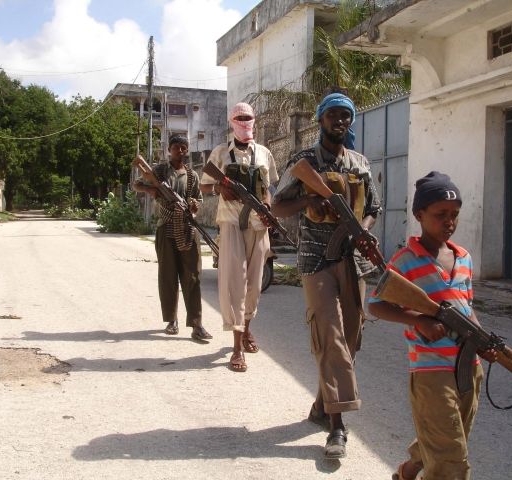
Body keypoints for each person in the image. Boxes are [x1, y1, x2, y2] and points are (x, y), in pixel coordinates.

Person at [271, 92, 382, 459]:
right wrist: (308, 201)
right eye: (333, 115)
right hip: (316, 260)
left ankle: (322, 405)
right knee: (330, 335)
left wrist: (361, 228)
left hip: (353, 261)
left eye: (346, 116)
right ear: (320, 120)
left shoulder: (360, 163)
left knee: (352, 338)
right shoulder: (304, 162)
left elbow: (375, 207)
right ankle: (338, 426)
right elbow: (278, 204)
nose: (340, 121)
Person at [368, 172, 495, 480]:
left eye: (454, 216)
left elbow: (467, 306)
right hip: (430, 368)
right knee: (451, 457)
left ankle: (409, 470)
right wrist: (417, 320)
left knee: (452, 436)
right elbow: (375, 305)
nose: (449, 222)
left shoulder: (463, 257)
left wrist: (483, 339)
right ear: (419, 215)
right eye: (440, 215)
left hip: (468, 365)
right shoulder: (406, 260)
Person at [200, 102, 278, 373]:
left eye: (249, 118)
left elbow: (268, 188)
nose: (245, 122)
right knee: (234, 283)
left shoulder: (265, 154)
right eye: (240, 118)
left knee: (255, 284)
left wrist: (267, 207)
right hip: (232, 223)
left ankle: (247, 329)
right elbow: (204, 184)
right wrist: (221, 188)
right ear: (232, 121)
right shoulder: (221, 153)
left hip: (258, 225)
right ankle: (236, 346)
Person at [132, 134, 212, 342]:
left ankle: (196, 324)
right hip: (165, 227)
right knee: (168, 277)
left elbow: (198, 200)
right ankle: (172, 320)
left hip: (187, 229)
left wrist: (194, 205)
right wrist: (153, 191)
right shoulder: (159, 171)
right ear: (170, 150)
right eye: (176, 147)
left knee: (192, 277)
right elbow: (136, 185)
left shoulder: (193, 175)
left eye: (184, 148)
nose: (181, 151)